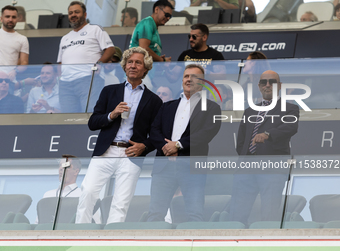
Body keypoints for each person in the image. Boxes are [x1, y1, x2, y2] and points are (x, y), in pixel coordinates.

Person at [76, 47, 163, 224]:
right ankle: (80, 235)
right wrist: (112, 114)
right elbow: (93, 122)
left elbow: (156, 134)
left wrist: (144, 147)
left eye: (138, 62)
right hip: (105, 151)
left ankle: (110, 241)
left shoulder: (154, 100)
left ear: (145, 68)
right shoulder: (109, 91)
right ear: (124, 66)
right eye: (129, 62)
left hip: (130, 155)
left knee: (121, 203)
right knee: (88, 192)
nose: (133, 65)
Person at [147, 64, 221, 222]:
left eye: (194, 77)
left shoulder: (212, 108)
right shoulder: (167, 106)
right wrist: (166, 147)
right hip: (163, 166)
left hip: (191, 167)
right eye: (186, 76)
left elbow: (206, 134)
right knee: (155, 214)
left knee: (195, 214)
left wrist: (178, 145)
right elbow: (154, 131)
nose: (189, 79)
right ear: (182, 80)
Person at [229, 70, 300, 226]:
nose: (268, 85)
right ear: (259, 86)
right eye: (264, 82)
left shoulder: (290, 108)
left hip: (272, 168)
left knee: (269, 215)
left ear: (279, 86)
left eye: (272, 82)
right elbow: (241, 140)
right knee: (236, 215)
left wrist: (268, 133)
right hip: (246, 169)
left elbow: (290, 127)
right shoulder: (250, 110)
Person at [57, 1, 115, 113]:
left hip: (89, 78)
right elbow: (60, 62)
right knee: (67, 119)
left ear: (85, 15)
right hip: (66, 84)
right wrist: (60, 79)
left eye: (76, 12)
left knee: (90, 115)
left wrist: (99, 63)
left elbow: (110, 49)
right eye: (70, 13)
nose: (73, 15)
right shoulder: (65, 38)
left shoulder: (95, 29)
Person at [0, 6, 29, 83]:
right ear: (1, 19)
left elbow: (24, 63)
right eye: (7, 17)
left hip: (10, 81)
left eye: (13, 17)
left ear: (17, 19)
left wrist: (14, 71)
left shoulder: (22, 39)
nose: (10, 19)